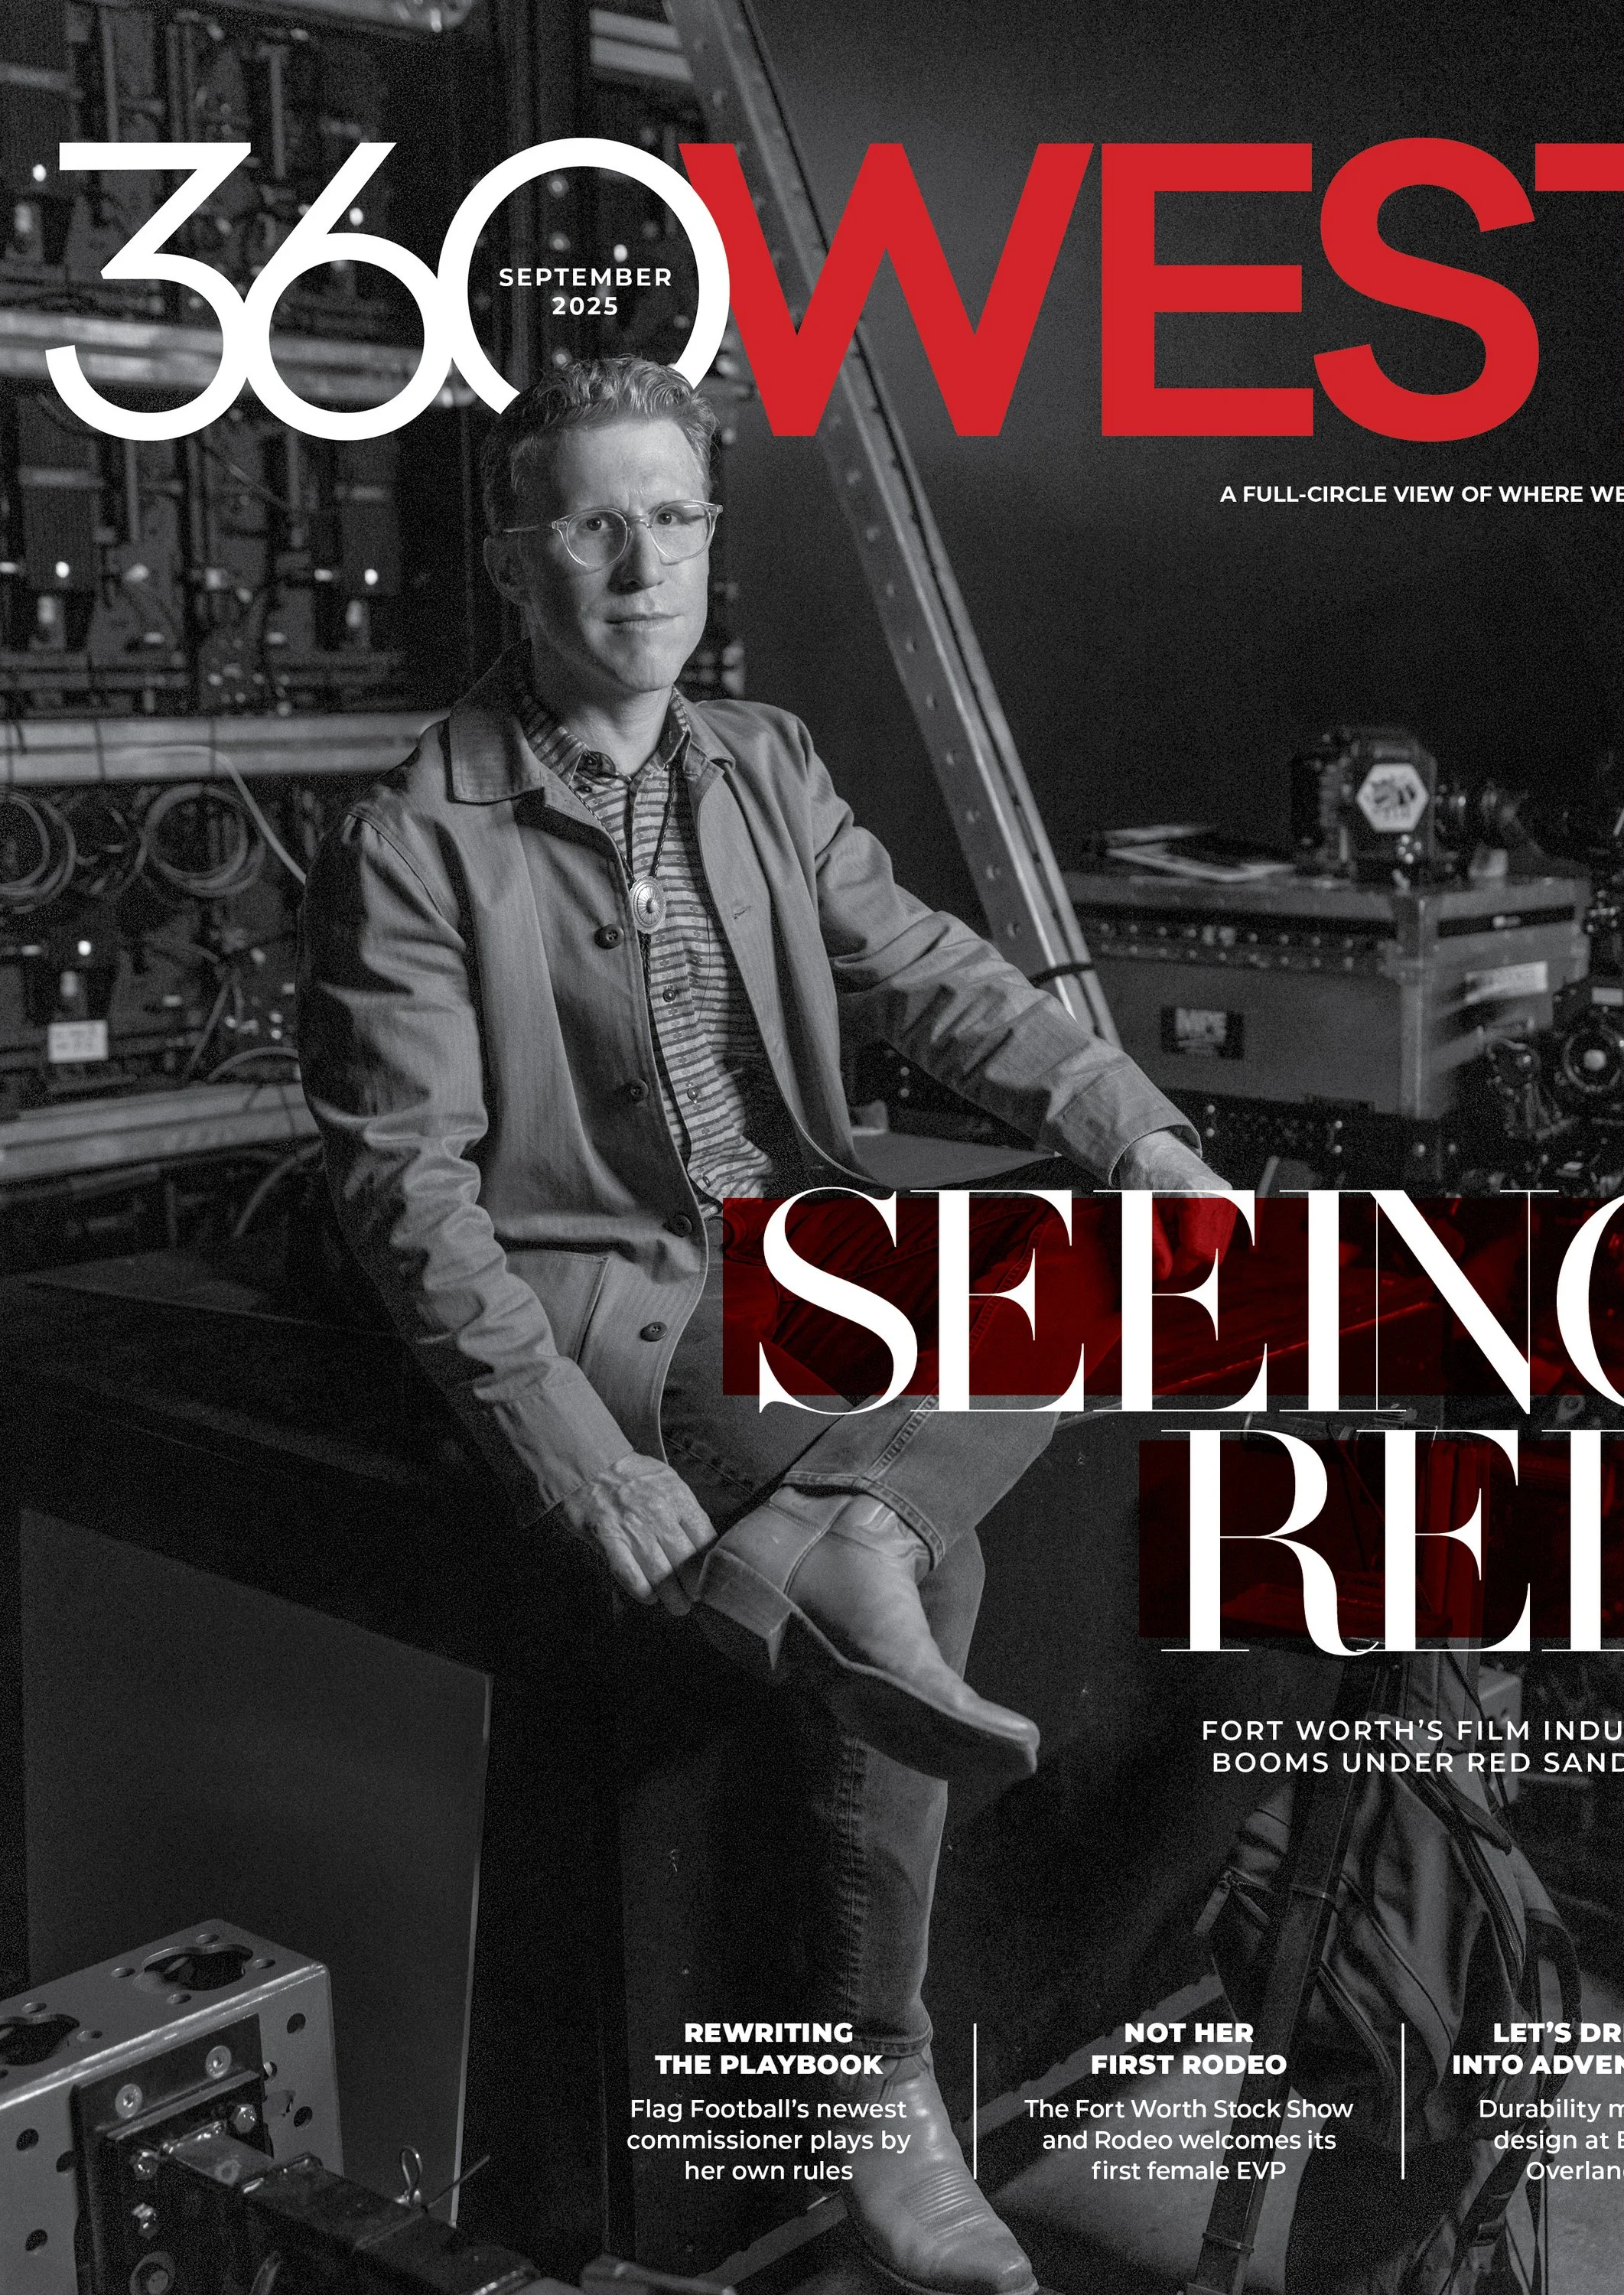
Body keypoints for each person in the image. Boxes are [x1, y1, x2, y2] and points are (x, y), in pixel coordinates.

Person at [298, 353, 1231, 2295]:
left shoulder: (765, 762)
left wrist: (1133, 1131)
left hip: (799, 1249)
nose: (643, 562)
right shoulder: (416, 839)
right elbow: (406, 1192)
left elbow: (936, 978)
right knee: (947, 1594)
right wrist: (570, 1460)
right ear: (513, 553)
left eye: (677, 515)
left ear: (716, 541)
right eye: (592, 518)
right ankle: (877, 2088)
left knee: (1144, 1249)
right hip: (627, 1297)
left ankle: (855, 1528)